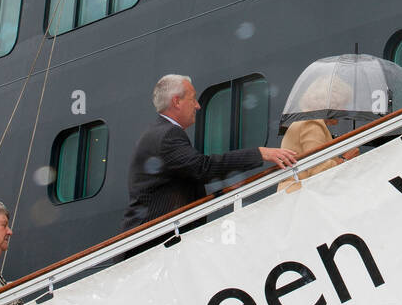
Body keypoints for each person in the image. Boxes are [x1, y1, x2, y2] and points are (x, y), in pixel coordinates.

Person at [122, 75, 297, 230]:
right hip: (154, 243)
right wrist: (260, 153)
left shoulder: (158, 132)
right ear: (176, 102)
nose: (198, 106)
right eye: (193, 99)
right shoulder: (168, 134)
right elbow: (203, 168)